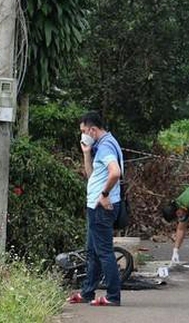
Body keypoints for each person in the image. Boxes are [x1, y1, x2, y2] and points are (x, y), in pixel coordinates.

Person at [67, 111, 123, 306]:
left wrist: (105, 195)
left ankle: (113, 296)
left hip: (101, 206)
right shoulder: (101, 145)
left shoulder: (106, 146)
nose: (83, 134)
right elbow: (92, 176)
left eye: (84, 131)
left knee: (104, 252)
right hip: (95, 205)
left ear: (92, 129)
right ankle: (87, 292)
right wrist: (86, 153)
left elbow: (115, 172)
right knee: (92, 251)